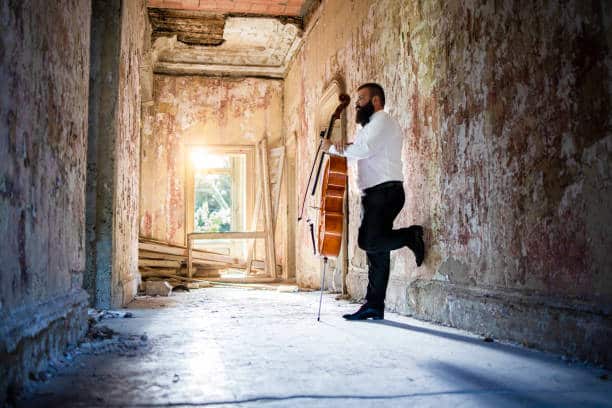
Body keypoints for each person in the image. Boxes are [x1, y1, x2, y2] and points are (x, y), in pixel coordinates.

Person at [322, 83, 425, 321]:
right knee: (377, 253)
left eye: (361, 98)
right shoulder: (370, 126)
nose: (357, 103)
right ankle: (374, 305)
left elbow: (366, 150)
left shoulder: (383, 121)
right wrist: (344, 147)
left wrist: (334, 150)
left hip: (385, 192)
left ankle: (410, 236)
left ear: (376, 101)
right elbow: (362, 148)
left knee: (369, 241)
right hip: (376, 193)